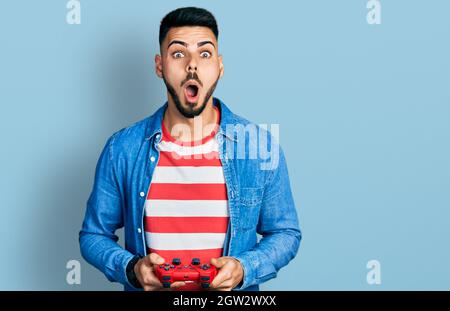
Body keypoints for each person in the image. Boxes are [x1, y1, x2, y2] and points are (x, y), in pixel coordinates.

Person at [79, 6, 301, 291]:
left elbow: (285, 232)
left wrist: (245, 269)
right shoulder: (122, 149)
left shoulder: (258, 146)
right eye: (178, 54)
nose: (192, 64)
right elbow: (93, 235)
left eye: (204, 53)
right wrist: (133, 269)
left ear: (219, 66)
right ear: (159, 66)